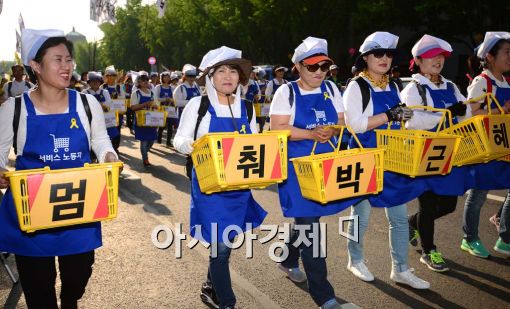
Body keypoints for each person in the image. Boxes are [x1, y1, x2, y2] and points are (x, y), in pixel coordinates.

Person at [0, 28, 118, 309]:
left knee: (78, 276)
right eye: (58, 60)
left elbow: (100, 141)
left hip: (78, 207)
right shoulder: (14, 109)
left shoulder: (86, 103)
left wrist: (109, 156)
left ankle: (70, 299)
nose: (67, 67)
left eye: (69, 59)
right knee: (39, 292)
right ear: (36, 66)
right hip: (32, 214)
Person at [173, 46, 267, 309]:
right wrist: (195, 146)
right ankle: (227, 302)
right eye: (221, 71)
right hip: (209, 186)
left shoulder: (248, 108)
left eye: (233, 71)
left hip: (238, 186)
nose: (228, 76)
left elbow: (255, 143)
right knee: (222, 246)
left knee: (226, 242)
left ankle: (210, 284)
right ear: (210, 77)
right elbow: (178, 139)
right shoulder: (198, 105)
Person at [270, 37, 360, 309]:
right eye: (312, 67)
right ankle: (325, 297)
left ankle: (286, 259)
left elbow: (341, 122)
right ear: (297, 67)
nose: (319, 71)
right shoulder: (285, 93)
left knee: (307, 222)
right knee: (311, 228)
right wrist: (309, 133)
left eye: (324, 65)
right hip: (296, 169)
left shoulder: (331, 88)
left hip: (326, 167)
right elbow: (277, 128)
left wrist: (331, 130)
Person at [343, 32, 429, 289]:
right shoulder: (356, 86)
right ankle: (354, 259)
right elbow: (354, 125)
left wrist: (403, 116)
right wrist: (389, 114)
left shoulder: (393, 85)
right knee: (361, 214)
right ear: (366, 58)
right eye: (378, 54)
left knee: (400, 217)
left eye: (389, 54)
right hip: (364, 157)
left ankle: (401, 269)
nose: (384, 59)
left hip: (393, 157)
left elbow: (399, 118)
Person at [401, 34, 472, 272]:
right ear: (418, 61)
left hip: (451, 152)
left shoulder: (451, 85)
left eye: (441, 56)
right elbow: (411, 120)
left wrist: (462, 112)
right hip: (424, 153)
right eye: (431, 56)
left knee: (449, 204)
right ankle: (429, 251)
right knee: (429, 205)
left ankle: (412, 222)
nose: (438, 60)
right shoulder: (413, 88)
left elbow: (467, 116)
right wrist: (448, 114)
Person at [462, 32, 510, 258]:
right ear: (490, 57)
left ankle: (504, 236)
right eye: (507, 52)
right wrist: (501, 110)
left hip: (504, 146)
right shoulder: (482, 81)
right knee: (478, 195)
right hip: (485, 148)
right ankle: (469, 238)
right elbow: (470, 113)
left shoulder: (505, 81)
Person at [83, 72, 120, 155]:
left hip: (105, 121)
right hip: (91, 121)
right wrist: (101, 105)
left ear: (100, 82)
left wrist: (96, 105)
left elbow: (109, 104)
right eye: (92, 81)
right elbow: (85, 107)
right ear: (89, 83)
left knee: (107, 139)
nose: (95, 83)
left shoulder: (105, 92)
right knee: (92, 139)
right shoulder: (84, 93)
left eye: (97, 81)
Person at [130, 71, 158, 167]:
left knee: (151, 140)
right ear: (138, 82)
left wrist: (155, 107)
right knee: (144, 140)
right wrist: (146, 104)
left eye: (146, 80)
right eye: (142, 80)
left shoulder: (152, 93)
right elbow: (133, 107)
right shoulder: (136, 93)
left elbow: (156, 105)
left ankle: (145, 151)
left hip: (151, 120)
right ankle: (145, 159)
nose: (145, 82)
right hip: (141, 121)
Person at [102, 66, 126, 154]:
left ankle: (115, 147)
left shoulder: (120, 87)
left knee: (117, 130)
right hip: (106, 113)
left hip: (117, 113)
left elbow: (123, 98)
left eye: (113, 75)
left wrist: (117, 97)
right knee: (106, 130)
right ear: (106, 76)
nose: (112, 77)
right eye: (109, 75)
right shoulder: (102, 87)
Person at [155, 71, 176, 146]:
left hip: (170, 109)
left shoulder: (172, 88)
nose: (166, 79)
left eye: (168, 77)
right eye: (165, 77)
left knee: (170, 125)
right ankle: (159, 139)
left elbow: (174, 98)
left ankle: (168, 142)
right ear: (162, 78)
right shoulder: (158, 87)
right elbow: (156, 98)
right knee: (162, 124)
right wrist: (164, 99)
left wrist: (172, 100)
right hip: (161, 108)